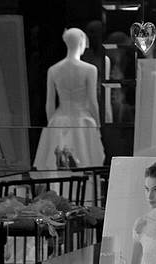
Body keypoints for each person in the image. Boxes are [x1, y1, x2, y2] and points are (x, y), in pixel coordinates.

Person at [33, 27, 105, 170]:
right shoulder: (90, 69)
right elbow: (92, 101)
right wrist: (97, 125)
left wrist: (51, 125)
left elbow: (49, 104)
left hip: (59, 120)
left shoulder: (53, 69)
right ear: (81, 42)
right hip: (82, 121)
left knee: (57, 166)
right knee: (84, 162)